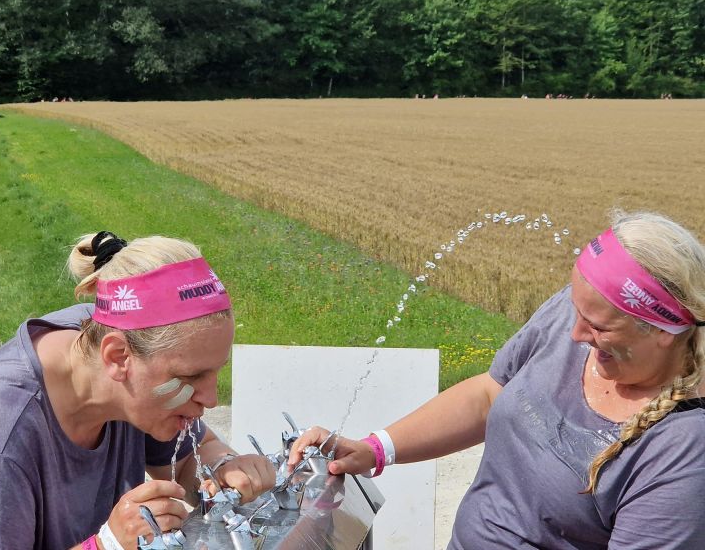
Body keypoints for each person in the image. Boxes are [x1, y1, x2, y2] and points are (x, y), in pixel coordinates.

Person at [292, 210, 705, 549]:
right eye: (577, 311)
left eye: (599, 328)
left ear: (664, 333)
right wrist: (374, 449)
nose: (577, 335)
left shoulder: (683, 447)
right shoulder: (574, 312)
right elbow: (490, 395)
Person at [0, 231, 276, 549]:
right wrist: (105, 544)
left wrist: (224, 468)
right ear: (117, 357)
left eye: (215, 373)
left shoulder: (100, 345)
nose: (210, 398)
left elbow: (187, 459)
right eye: (192, 377)